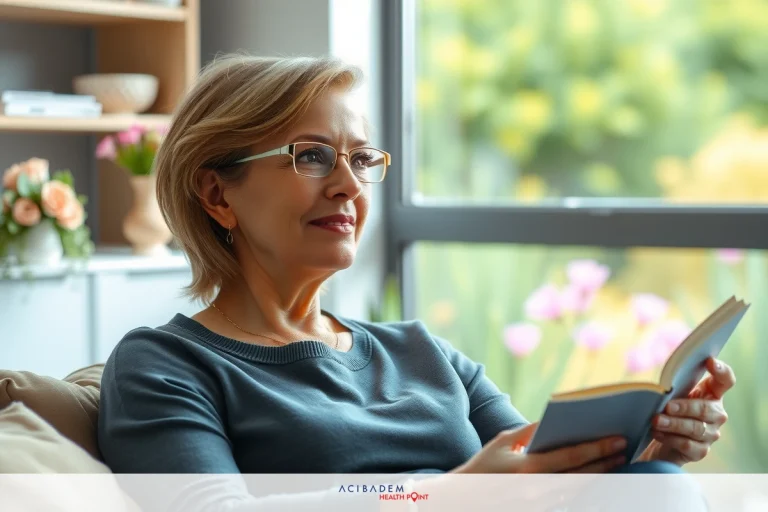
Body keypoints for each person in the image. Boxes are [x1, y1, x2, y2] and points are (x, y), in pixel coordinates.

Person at [97, 54, 734, 511]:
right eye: (313, 155)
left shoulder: (422, 352)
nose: (347, 184)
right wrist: (448, 494)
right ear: (216, 193)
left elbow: (543, 481)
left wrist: (652, 446)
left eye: (362, 158)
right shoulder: (165, 365)